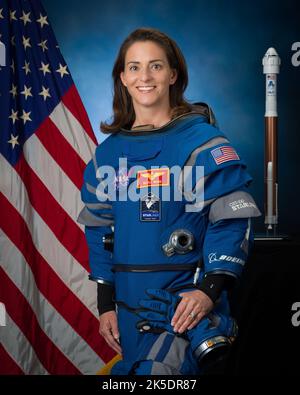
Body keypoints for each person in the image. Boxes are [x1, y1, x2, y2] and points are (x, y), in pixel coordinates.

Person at [78, 27, 261, 375]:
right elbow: (101, 232)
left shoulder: (202, 143)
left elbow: (232, 220)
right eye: (134, 67)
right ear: (123, 76)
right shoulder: (108, 155)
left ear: (173, 74)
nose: (144, 77)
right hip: (130, 313)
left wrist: (209, 291)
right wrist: (105, 306)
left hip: (183, 307)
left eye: (155, 66)